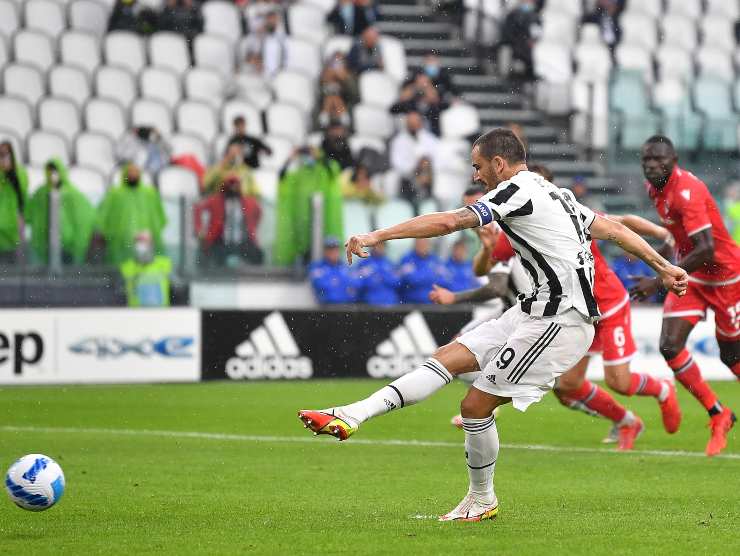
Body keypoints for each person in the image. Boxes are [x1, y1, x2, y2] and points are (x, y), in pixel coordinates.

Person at [298, 128, 687, 521]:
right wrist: (666, 267)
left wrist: (377, 234)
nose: (476, 175)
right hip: (530, 310)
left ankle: (482, 499)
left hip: (560, 320)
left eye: (478, 166)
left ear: (499, 164)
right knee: (446, 357)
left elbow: (450, 222)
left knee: (475, 405)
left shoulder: (516, 190)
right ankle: (352, 414)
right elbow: (615, 230)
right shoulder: (552, 191)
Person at [631, 135, 739, 456]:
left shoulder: (686, 192)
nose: (652, 166)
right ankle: (719, 414)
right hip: (691, 277)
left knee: (731, 358)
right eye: (647, 161)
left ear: (674, 159)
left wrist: (661, 278)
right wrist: (663, 265)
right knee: (669, 346)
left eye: (659, 160)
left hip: (725, 278)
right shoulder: (655, 189)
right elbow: (677, 237)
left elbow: (707, 249)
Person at [274, 147, 344, 266]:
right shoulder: (297, 175)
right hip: (301, 224)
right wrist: (290, 159)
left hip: (322, 222)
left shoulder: (323, 172)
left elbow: (333, 172)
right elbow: (282, 177)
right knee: (303, 250)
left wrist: (319, 155)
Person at [25, 158, 96, 265]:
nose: (52, 174)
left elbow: (85, 216)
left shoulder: (73, 194)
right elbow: (28, 214)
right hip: (43, 244)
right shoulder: (40, 193)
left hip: (66, 243)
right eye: (50, 170)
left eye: (55, 170)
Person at [96, 163, 166, 266]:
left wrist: (151, 233)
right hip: (121, 242)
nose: (133, 175)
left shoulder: (149, 194)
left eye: (136, 172)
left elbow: (158, 217)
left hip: (147, 241)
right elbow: (103, 215)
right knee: (121, 270)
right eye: (130, 172)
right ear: (124, 175)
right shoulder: (115, 194)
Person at [193, 174, 263, 266]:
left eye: (235, 185)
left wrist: (253, 226)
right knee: (211, 260)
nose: (233, 188)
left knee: (257, 256)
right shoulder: (215, 201)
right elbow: (198, 209)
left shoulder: (248, 202)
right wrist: (200, 230)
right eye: (230, 185)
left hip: (242, 242)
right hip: (220, 241)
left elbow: (258, 211)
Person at [120, 231, 172, 307]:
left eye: (145, 241)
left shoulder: (164, 264)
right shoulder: (127, 266)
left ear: (152, 244)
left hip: (161, 313)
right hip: (136, 314)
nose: (141, 244)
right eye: (138, 241)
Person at [498, 0, 541, 81]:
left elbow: (536, 31)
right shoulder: (513, 15)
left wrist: (532, 40)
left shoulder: (535, 16)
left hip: (526, 51)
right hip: (515, 48)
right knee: (515, 70)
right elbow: (508, 32)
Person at [398, 238, 450, 304]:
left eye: (424, 243)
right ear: (415, 244)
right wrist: (431, 276)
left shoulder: (436, 260)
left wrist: (419, 275)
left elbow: (446, 281)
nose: (422, 246)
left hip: (432, 305)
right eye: (420, 243)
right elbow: (410, 280)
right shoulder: (406, 259)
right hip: (410, 304)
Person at [0, 141, 28, 263]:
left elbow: (23, 192)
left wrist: (10, 173)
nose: (3, 158)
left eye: (5, 154)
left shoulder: (20, 173)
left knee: (16, 266)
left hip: (15, 226)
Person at [389, 112, 439, 181]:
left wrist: (425, 162)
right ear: (407, 124)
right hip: (408, 176)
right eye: (411, 123)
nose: (413, 125)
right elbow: (397, 162)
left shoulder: (430, 139)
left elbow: (437, 156)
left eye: (415, 122)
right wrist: (415, 167)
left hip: (429, 174)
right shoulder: (399, 141)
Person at [308, 236, 358, 303]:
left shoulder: (346, 267)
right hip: (325, 307)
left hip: (346, 306)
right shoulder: (317, 267)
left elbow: (354, 285)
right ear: (325, 251)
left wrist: (336, 283)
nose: (333, 252)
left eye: (335, 249)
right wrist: (341, 285)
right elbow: (321, 286)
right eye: (330, 249)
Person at [243, 8, 287, 78]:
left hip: (276, 75)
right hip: (258, 75)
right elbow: (248, 58)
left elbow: (285, 60)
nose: (272, 22)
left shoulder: (283, 39)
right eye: (270, 20)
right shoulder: (254, 38)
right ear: (266, 21)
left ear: (278, 21)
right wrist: (256, 61)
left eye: (275, 20)